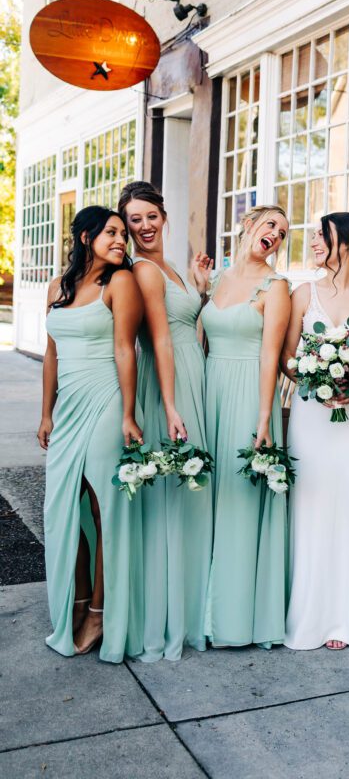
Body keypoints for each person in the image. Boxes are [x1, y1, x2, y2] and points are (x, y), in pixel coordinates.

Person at [38, 206, 143, 660]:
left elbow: (125, 349)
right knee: (64, 508)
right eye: (112, 232)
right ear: (85, 237)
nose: (122, 239)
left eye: (124, 233)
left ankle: (100, 612)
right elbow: (51, 355)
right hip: (68, 409)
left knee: (101, 507)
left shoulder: (119, 283)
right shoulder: (57, 287)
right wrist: (46, 414)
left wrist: (128, 413)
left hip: (104, 402)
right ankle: (76, 600)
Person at [282, 213, 349, 652]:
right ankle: (312, 615)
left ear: (344, 241)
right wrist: (313, 379)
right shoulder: (302, 293)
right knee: (312, 506)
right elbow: (288, 353)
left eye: (320, 236)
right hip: (311, 418)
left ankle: (347, 619)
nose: (312, 243)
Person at [118, 181, 213, 662]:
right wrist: (171, 406)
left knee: (188, 497)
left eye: (150, 216)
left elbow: (185, 325)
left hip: (190, 378)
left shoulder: (167, 266)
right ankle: (170, 616)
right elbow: (160, 341)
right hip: (168, 385)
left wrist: (198, 288)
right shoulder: (143, 271)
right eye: (134, 220)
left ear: (163, 214)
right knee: (174, 503)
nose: (144, 226)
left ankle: (192, 607)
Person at [197, 205, 291, 647]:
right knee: (204, 498)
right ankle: (199, 605)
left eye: (283, 232)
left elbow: (270, 357)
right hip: (209, 391)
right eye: (270, 224)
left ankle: (232, 617)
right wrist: (199, 292)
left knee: (237, 501)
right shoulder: (217, 280)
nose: (275, 233)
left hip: (248, 396)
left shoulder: (277, 286)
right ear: (248, 226)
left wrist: (264, 416)